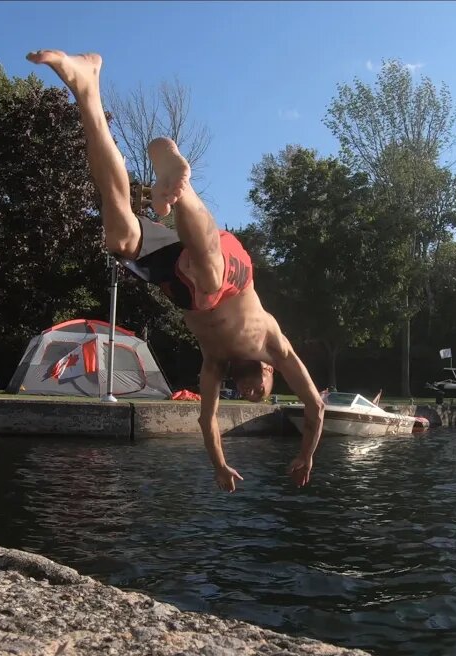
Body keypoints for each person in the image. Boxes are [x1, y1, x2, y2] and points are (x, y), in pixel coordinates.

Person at [26, 49, 325, 493]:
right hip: (226, 271)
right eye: (258, 391)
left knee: (119, 239)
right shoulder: (275, 346)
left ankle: (87, 90)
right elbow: (317, 408)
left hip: (177, 281)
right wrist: (307, 453)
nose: (251, 396)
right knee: (207, 281)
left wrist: (220, 467)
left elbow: (207, 422)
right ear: (269, 374)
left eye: (246, 399)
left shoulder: (213, 363)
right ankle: (180, 187)